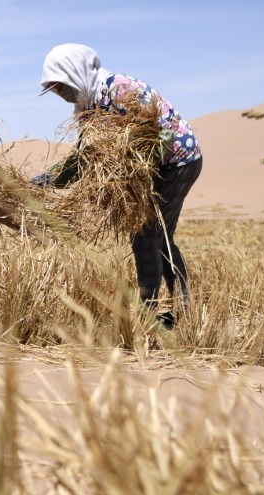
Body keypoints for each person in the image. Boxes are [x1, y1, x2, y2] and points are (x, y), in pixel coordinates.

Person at [34, 43, 202, 329]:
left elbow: (152, 139)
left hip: (176, 162)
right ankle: (173, 313)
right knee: (155, 237)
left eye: (62, 87)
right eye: (56, 90)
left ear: (76, 73)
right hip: (156, 169)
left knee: (148, 235)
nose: (62, 95)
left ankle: (156, 315)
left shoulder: (119, 89)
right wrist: (47, 180)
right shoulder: (88, 106)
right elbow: (85, 157)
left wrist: (128, 176)